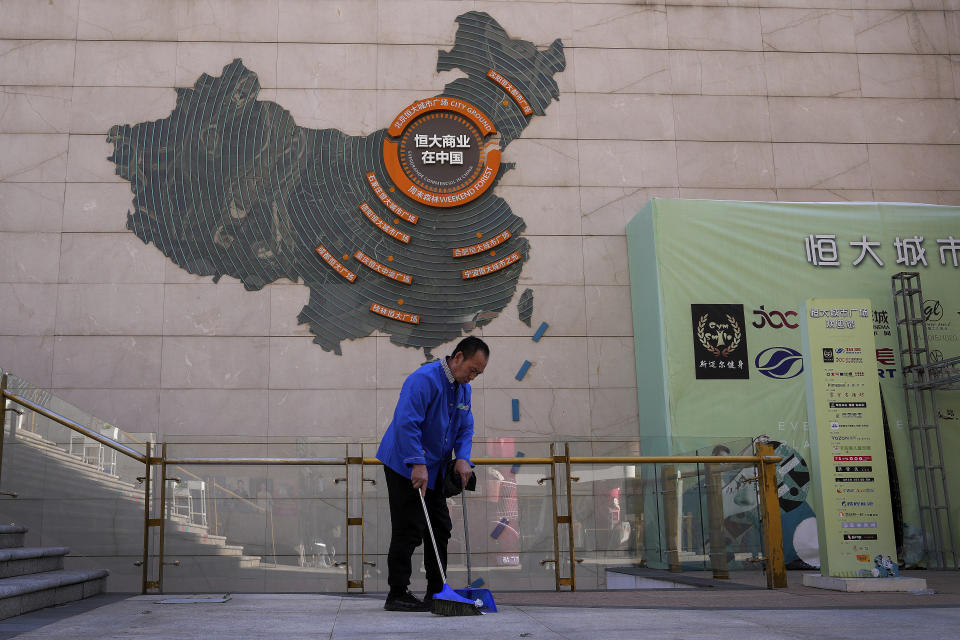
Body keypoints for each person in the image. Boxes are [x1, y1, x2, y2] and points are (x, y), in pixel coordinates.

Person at [376, 336, 488, 612]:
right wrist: (417, 463)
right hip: (404, 464)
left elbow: (465, 427)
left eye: (479, 373)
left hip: (436, 468)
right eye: (472, 369)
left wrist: (463, 458)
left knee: (440, 527)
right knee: (409, 527)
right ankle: (397, 593)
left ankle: (437, 592)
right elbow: (406, 422)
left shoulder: (463, 390)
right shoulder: (424, 379)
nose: (473, 376)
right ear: (458, 357)